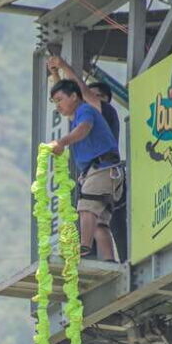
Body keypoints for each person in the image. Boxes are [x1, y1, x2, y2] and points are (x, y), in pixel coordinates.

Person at [47, 56, 127, 261]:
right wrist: (56, 74)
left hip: (102, 168)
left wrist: (64, 66)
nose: (58, 106)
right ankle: (109, 260)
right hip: (105, 172)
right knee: (100, 223)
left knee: (86, 207)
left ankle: (83, 247)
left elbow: (83, 117)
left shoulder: (91, 109)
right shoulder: (79, 110)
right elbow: (66, 96)